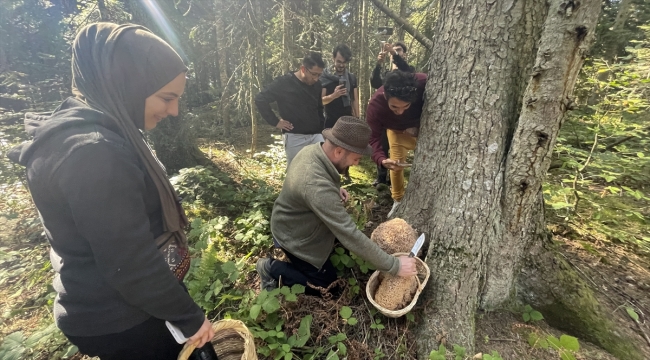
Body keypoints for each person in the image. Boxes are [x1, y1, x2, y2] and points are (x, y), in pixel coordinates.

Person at [7, 23, 214, 360]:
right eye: (166, 97)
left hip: (109, 305)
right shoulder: (95, 153)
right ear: (128, 84)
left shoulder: (85, 132)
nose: (173, 110)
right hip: (121, 317)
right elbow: (129, 262)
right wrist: (189, 318)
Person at [256, 116, 418, 296]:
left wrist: (334, 188)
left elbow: (316, 181)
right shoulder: (316, 187)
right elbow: (349, 234)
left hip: (294, 223)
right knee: (329, 290)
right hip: (296, 238)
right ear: (339, 152)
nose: (356, 163)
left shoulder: (313, 151)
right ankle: (270, 268)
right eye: (356, 158)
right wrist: (394, 265)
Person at [366, 71, 427, 218]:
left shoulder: (422, 82)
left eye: (405, 106)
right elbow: (372, 139)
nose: (400, 112)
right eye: (394, 107)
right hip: (396, 132)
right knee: (397, 164)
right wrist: (381, 159)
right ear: (386, 96)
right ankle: (397, 200)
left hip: (426, 131)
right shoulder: (375, 106)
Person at [255, 52, 326, 167]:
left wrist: (321, 128)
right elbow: (260, 99)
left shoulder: (317, 85)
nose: (316, 78)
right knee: (295, 173)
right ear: (303, 69)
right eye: (314, 74)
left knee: (320, 170)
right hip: (295, 136)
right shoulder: (284, 83)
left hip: (316, 136)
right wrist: (275, 121)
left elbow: (319, 108)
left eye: (319, 75)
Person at [370, 42, 415, 188]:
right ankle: (382, 178)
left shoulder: (410, 74)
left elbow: (406, 70)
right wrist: (379, 63)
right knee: (383, 146)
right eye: (394, 50)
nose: (395, 52)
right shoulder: (386, 75)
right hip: (387, 121)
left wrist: (394, 55)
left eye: (399, 50)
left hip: (409, 126)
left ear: (404, 53)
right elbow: (375, 82)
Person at [320, 44, 359, 181]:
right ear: (333, 59)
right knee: (329, 148)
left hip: (347, 117)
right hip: (330, 118)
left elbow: (355, 99)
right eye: (339, 62)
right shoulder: (325, 77)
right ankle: (329, 174)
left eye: (344, 62)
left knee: (346, 148)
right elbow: (321, 101)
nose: (341, 65)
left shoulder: (352, 78)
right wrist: (334, 95)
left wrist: (357, 117)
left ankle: (345, 172)